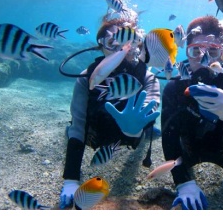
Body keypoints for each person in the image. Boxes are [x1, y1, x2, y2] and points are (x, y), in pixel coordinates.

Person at [61, 17, 161, 209]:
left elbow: (152, 105)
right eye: (110, 42)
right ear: (101, 46)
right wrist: (71, 179)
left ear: (135, 43)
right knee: (73, 130)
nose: (119, 48)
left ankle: (148, 132)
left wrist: (139, 125)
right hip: (96, 136)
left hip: (133, 137)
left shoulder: (147, 76)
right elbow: (79, 124)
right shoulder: (87, 77)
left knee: (147, 127)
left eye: (124, 41)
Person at [160, 16, 223, 210]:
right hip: (188, 150)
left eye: (213, 51)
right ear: (187, 53)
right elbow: (168, 137)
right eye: (196, 51)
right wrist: (183, 183)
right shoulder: (175, 87)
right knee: (181, 167)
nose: (205, 60)